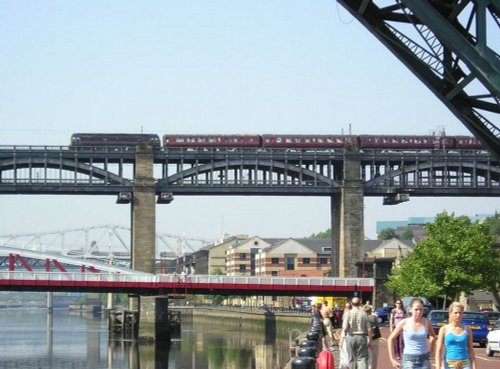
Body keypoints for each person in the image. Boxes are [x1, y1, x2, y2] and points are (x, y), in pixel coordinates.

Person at [388, 297, 436, 369]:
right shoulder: (404, 322)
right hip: (409, 360)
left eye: (421, 309)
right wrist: (392, 359)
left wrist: (432, 350)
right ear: (410, 309)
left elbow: (433, 336)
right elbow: (390, 339)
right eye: (416, 309)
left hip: (424, 359)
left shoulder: (427, 322)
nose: (419, 312)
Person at [435, 302, 477, 369]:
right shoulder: (444, 329)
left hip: (465, 364)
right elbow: (439, 350)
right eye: (456, 313)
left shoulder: (467, 329)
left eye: (460, 313)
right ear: (450, 313)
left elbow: (471, 350)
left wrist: (474, 366)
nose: (458, 315)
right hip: (449, 365)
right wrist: (438, 366)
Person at [340, 297, 372, 369]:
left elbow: (344, 327)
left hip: (351, 336)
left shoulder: (348, 313)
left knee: (352, 358)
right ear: (360, 303)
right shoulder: (364, 314)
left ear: (351, 304)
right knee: (362, 358)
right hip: (362, 336)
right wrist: (370, 340)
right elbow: (369, 329)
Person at [363, 304, 381, 369]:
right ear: (370, 311)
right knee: (374, 356)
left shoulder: (362, 318)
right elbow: (377, 324)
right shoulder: (374, 317)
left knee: (366, 357)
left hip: (365, 337)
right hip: (374, 337)